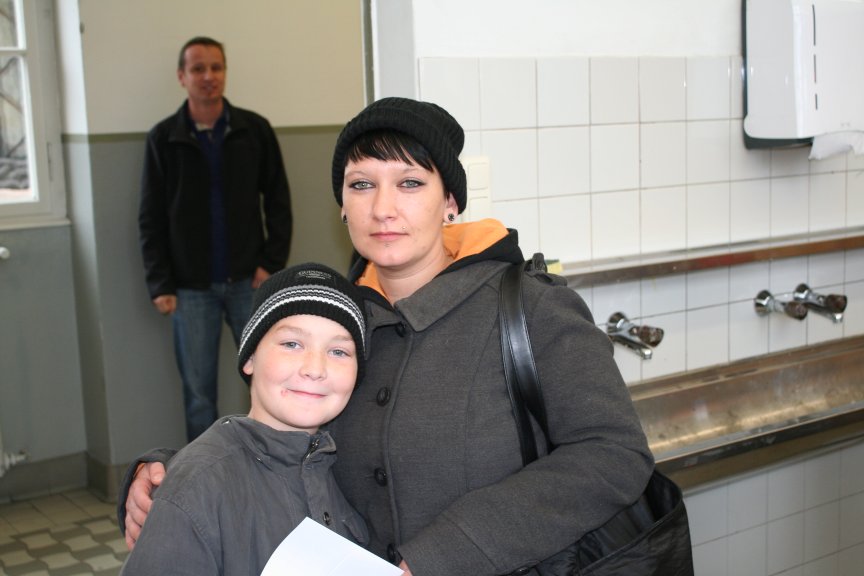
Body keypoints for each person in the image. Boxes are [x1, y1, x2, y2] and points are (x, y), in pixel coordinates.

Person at [122, 97, 654, 576]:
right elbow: (280, 429)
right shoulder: (334, 320)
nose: (382, 209)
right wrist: (174, 472)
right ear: (341, 204)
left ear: (451, 201)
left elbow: (614, 453)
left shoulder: (529, 307)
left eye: (410, 183)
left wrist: (445, 554)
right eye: (361, 184)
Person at [120, 263, 370, 575]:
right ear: (250, 357)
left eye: (339, 352)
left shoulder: (347, 466)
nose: (315, 368)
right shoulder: (198, 489)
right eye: (292, 344)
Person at [139, 36, 293, 441]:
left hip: (249, 283)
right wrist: (160, 283)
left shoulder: (253, 130)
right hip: (190, 290)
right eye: (198, 69)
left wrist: (271, 264)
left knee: (269, 380)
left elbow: (278, 200)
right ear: (182, 76)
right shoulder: (163, 138)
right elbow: (150, 218)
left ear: (225, 72)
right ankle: (204, 473)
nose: (208, 76)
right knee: (198, 395)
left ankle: (270, 462)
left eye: (216, 67)